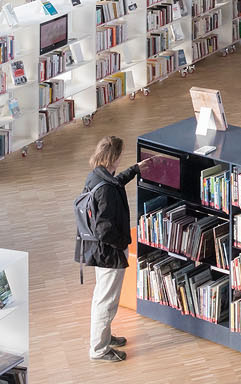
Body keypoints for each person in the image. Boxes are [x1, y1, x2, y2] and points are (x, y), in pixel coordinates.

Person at [75, 136, 139, 364]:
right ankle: (99, 349)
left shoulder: (97, 176)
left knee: (104, 297)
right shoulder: (106, 190)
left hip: (97, 250)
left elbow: (115, 183)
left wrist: (135, 170)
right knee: (106, 301)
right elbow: (104, 230)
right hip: (109, 254)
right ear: (114, 157)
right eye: (121, 156)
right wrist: (123, 243)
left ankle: (104, 337)